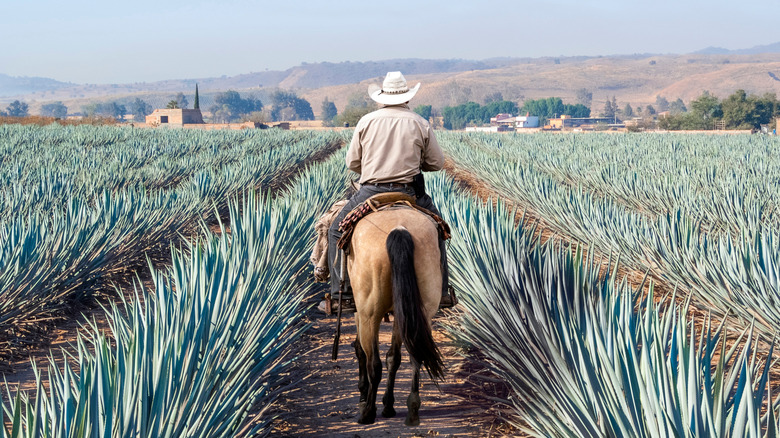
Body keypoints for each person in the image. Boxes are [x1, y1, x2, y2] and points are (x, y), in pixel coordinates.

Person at [325, 71, 455, 313]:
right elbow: (435, 164)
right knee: (438, 229)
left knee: (335, 230)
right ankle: (442, 292)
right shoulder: (420, 123)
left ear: (382, 97)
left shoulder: (366, 121)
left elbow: (353, 163)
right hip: (409, 192)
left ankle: (340, 293)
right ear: (406, 97)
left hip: (370, 192)